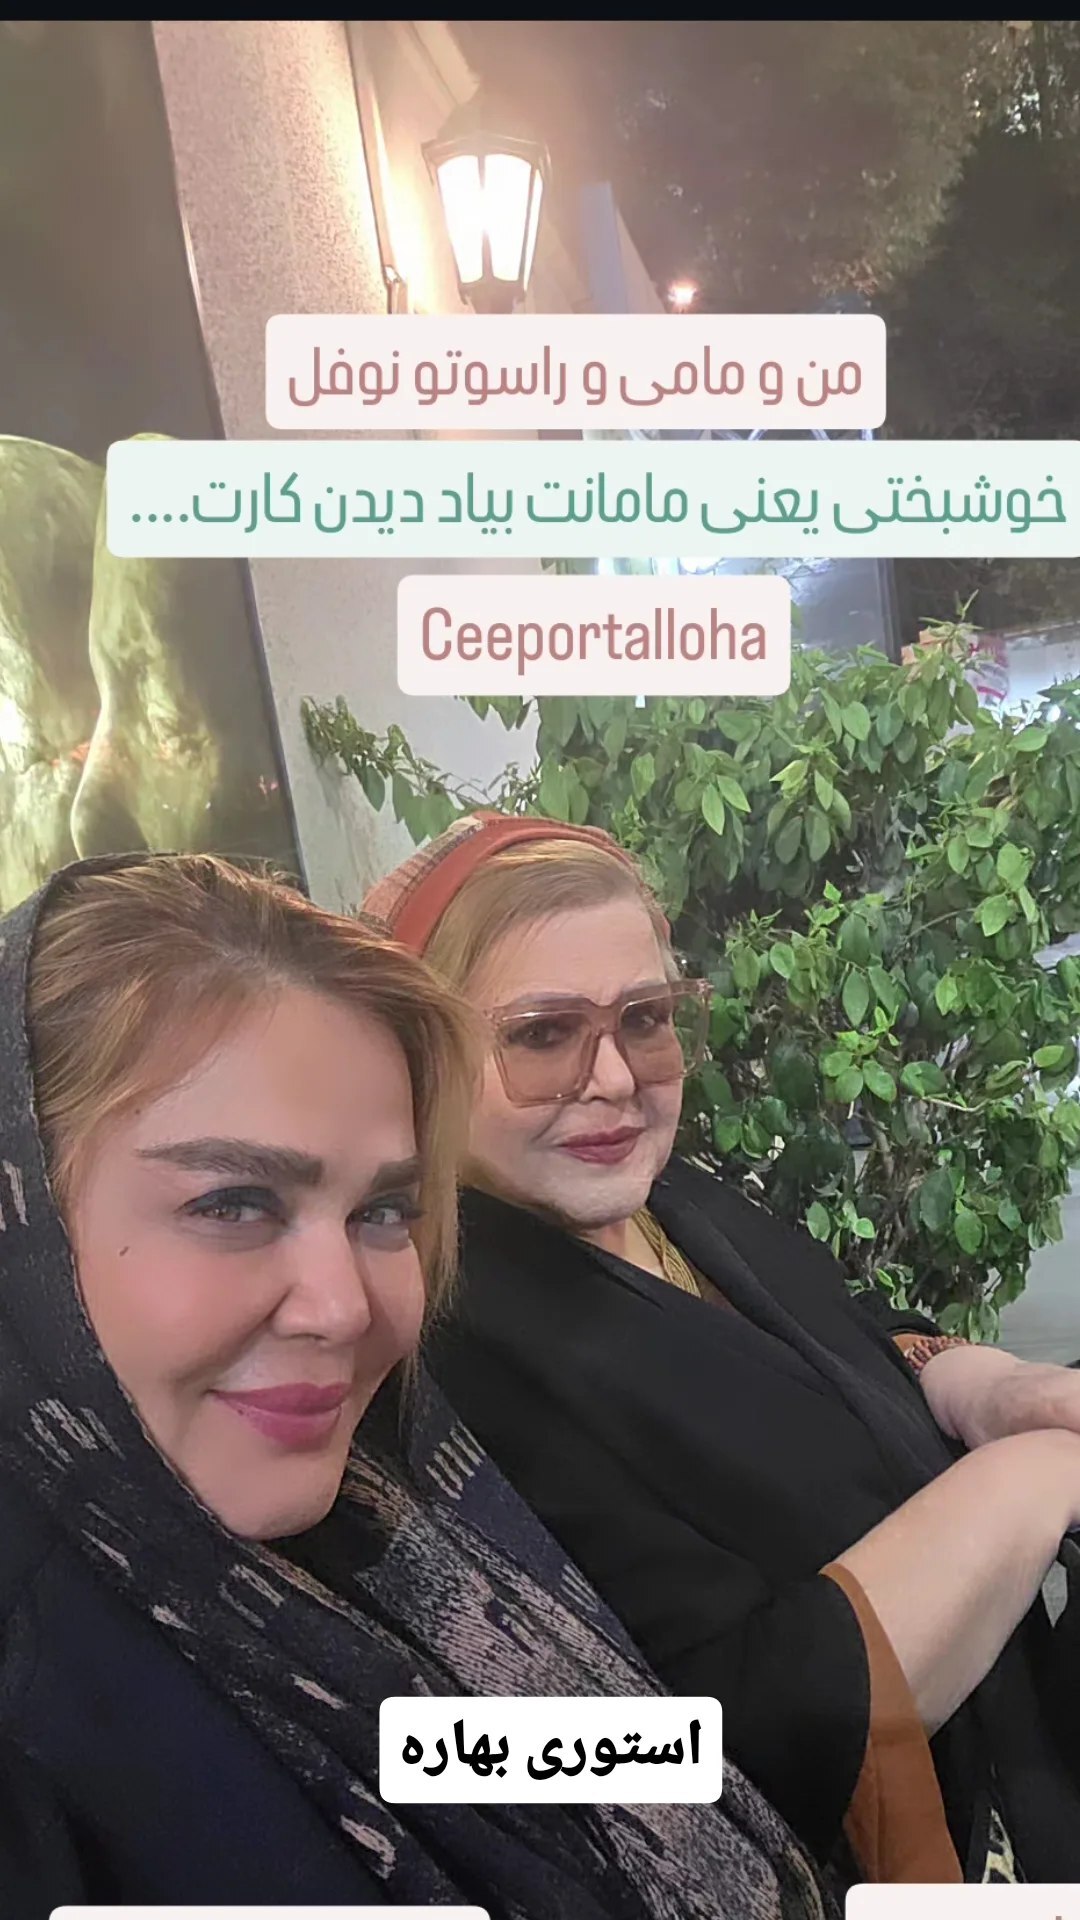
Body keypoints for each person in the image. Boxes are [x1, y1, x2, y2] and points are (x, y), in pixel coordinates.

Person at [0, 850, 833, 1920]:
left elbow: (657, 1762)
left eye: (384, 1212)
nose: (344, 1307)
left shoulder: (390, 1513)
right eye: (232, 1203)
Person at [365, 809, 1080, 1887]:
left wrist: (974, 1379)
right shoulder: (444, 1357)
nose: (615, 1080)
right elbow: (721, 1733)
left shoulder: (680, 1204)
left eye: (644, 1019)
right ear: (423, 1054)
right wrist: (1037, 1476)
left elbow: (843, 1339)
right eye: (542, 1035)